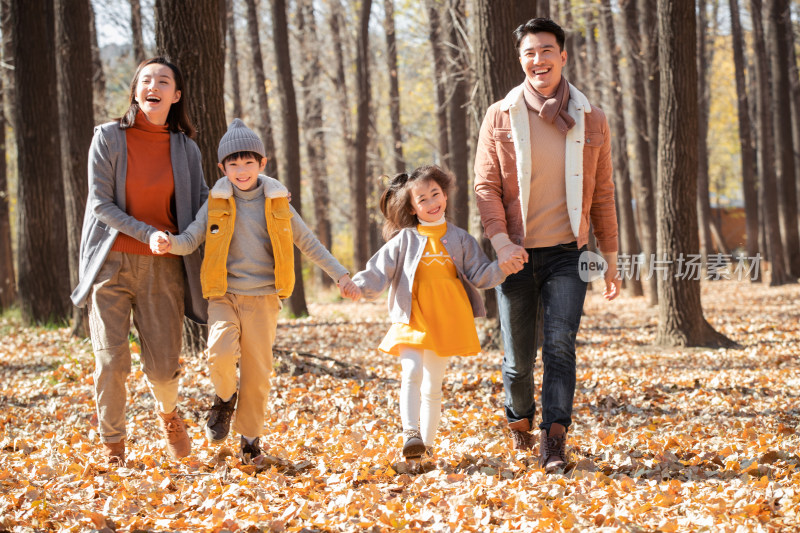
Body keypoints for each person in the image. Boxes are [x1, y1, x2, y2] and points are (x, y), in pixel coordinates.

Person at [150, 119, 359, 462]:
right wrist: (168, 242)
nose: (241, 170)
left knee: (257, 373)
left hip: (263, 297)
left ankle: (250, 444)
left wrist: (341, 276)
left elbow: (308, 243)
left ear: (263, 164)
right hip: (223, 294)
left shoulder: (278, 203)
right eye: (233, 163)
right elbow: (190, 240)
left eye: (249, 162)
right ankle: (225, 399)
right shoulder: (216, 202)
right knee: (218, 354)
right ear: (222, 168)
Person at [473, 18, 621, 472]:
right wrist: (499, 242)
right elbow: (486, 185)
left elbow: (602, 193)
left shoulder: (591, 118)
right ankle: (519, 421)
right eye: (529, 53)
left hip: (567, 254)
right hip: (515, 255)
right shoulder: (501, 115)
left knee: (560, 346)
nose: (538, 60)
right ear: (521, 60)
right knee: (518, 358)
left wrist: (610, 260)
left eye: (546, 50)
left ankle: (554, 439)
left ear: (563, 56)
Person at [71, 57, 208, 465]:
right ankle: (114, 447)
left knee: (164, 369)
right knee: (111, 361)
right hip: (110, 263)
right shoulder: (108, 137)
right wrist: (148, 233)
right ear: (135, 91)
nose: (154, 85)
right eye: (146, 79)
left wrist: (185, 240)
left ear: (175, 95)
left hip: (163, 268)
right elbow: (99, 203)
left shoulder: (186, 149)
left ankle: (168, 414)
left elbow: (204, 201)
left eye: (163, 81)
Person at [351, 165, 517, 458]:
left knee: (433, 385)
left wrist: (502, 267)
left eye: (435, 194)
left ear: (445, 195)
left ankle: (425, 448)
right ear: (413, 208)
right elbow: (378, 270)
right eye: (422, 199)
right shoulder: (404, 239)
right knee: (411, 372)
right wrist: (357, 286)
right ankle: (410, 433)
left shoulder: (461, 238)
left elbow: (479, 274)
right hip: (412, 315)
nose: (431, 203)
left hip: (447, 317)